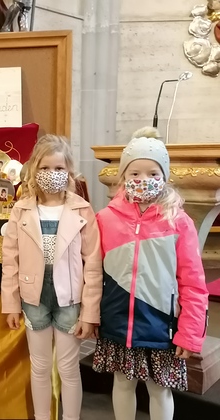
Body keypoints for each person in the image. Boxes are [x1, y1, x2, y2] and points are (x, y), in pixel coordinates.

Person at [93, 127, 209, 420]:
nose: (143, 179)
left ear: (164, 177)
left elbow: (193, 283)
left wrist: (190, 334)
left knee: (160, 389)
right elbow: (92, 273)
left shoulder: (178, 222)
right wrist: (92, 315)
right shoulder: (105, 219)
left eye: (153, 173)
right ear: (123, 176)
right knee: (122, 383)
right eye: (135, 173)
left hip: (161, 325)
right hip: (119, 322)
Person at [1, 134, 102, 420]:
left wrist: (90, 312)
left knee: (68, 368)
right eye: (45, 168)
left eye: (59, 168)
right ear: (34, 169)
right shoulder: (21, 210)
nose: (52, 174)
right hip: (34, 298)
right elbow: (10, 261)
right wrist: (10, 304)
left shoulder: (82, 209)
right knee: (40, 367)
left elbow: (93, 264)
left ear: (69, 171)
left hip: (70, 300)